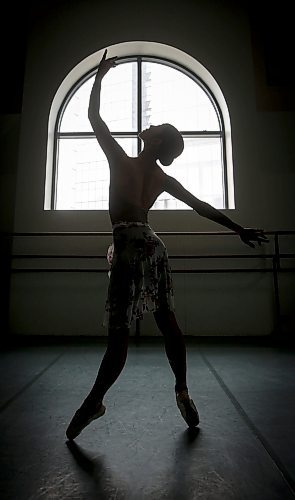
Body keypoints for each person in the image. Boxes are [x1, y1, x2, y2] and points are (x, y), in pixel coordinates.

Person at [66, 50, 268, 440]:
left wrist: (99, 78)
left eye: (154, 124)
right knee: (167, 321)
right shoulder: (158, 177)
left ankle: (93, 401)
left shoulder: (121, 161)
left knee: (120, 333)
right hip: (153, 246)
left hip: (128, 247)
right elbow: (201, 206)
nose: (149, 124)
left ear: (155, 138)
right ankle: (182, 390)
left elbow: (94, 118)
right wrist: (237, 228)